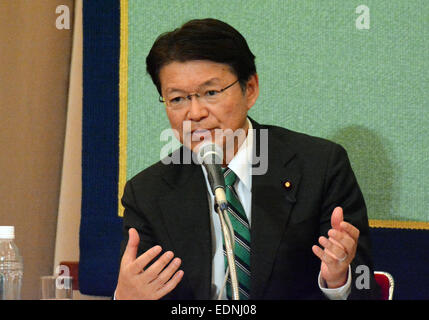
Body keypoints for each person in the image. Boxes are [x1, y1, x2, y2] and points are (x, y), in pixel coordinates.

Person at [114, 18, 381, 300]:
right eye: (177, 98)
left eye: (210, 93)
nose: (194, 113)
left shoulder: (320, 166)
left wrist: (338, 280)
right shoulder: (147, 192)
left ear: (250, 89)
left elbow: (365, 290)